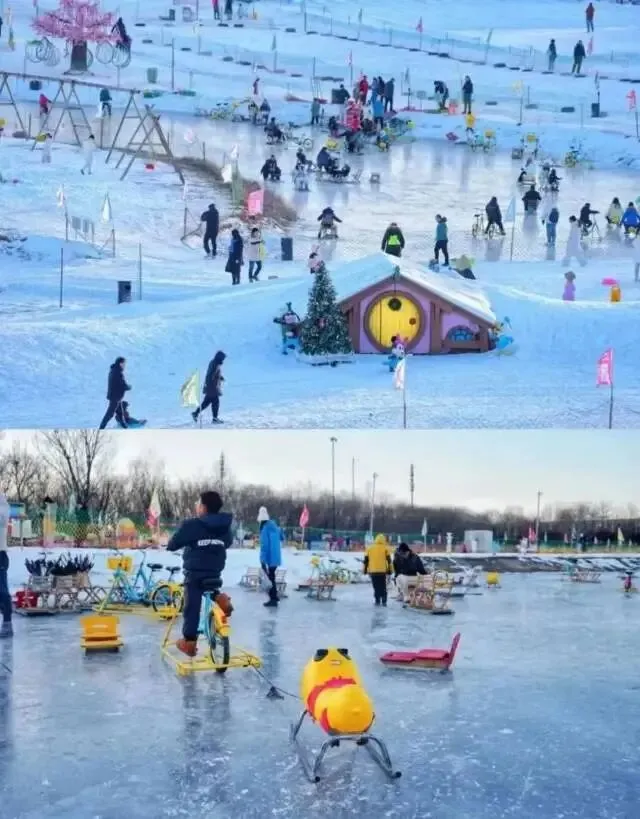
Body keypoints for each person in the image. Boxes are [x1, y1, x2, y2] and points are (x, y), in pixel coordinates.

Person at [166, 490, 233, 657]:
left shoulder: (192, 525)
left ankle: (189, 641)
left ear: (203, 507)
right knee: (208, 586)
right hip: (215, 570)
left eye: (198, 503)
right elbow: (228, 542)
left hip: (195, 573)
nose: (197, 506)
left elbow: (173, 544)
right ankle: (220, 598)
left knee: (192, 604)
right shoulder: (224, 526)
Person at [192, 351, 226, 423]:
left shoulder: (214, 363)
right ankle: (214, 419)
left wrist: (220, 377)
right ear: (219, 358)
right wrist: (210, 385)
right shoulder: (215, 364)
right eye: (223, 358)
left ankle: (196, 413)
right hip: (212, 387)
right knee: (215, 402)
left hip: (211, 387)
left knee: (206, 402)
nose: (223, 360)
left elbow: (214, 374)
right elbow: (210, 375)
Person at [258, 506, 282, 607]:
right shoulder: (275, 527)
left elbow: (265, 545)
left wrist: (262, 560)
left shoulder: (265, 529)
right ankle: (275, 596)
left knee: (270, 578)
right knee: (272, 576)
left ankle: (273, 599)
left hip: (269, 557)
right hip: (276, 557)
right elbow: (282, 537)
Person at [99, 356, 130, 429]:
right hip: (115, 397)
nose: (125, 365)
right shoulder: (118, 372)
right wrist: (128, 387)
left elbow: (118, 383)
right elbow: (122, 384)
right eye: (124, 363)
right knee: (110, 414)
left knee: (120, 413)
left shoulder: (114, 370)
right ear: (120, 363)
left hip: (116, 396)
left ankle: (125, 427)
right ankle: (101, 428)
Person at [363, 534, 392, 606]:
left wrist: (364, 570)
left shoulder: (370, 548)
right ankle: (384, 601)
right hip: (382, 571)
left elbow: (366, 561)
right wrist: (390, 570)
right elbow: (389, 561)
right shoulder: (385, 548)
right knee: (383, 586)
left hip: (373, 571)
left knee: (376, 586)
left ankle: (377, 600)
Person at [0, 492, 11, 639]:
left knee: (2, 590)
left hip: (0, 554)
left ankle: (7, 623)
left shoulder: (2, 505)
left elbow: (2, 517)